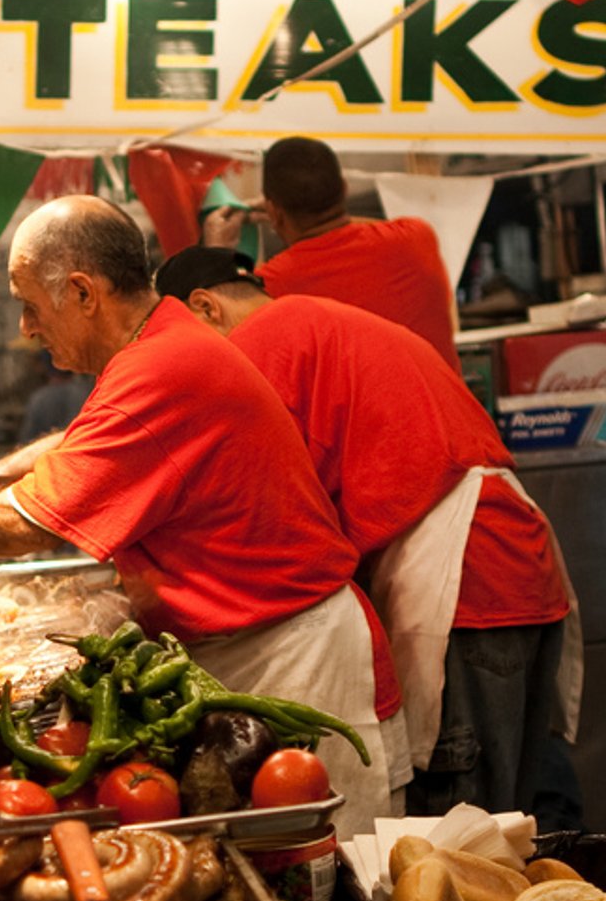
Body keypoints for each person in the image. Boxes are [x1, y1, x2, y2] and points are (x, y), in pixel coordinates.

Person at [0, 197, 412, 826]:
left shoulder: (161, 366)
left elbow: (23, 527)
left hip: (292, 657)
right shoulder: (161, 340)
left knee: (322, 880)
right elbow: (78, 440)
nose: (24, 328)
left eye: (30, 307)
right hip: (257, 645)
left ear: (82, 292)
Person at [154, 247, 582, 828]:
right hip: (518, 568)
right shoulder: (326, 321)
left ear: (204, 307)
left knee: (459, 841)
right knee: (506, 832)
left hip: (466, 585)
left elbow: (261, 510)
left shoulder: (263, 343)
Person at [204, 136, 462, 372]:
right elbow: (353, 231)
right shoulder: (416, 238)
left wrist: (216, 251)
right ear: (345, 188)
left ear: (274, 210)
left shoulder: (270, 288)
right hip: (455, 418)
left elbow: (219, 347)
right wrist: (281, 213)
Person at [18, 355, 93, 441]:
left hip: (49, 450)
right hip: (79, 447)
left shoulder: (39, 398)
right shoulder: (87, 393)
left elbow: (28, 438)